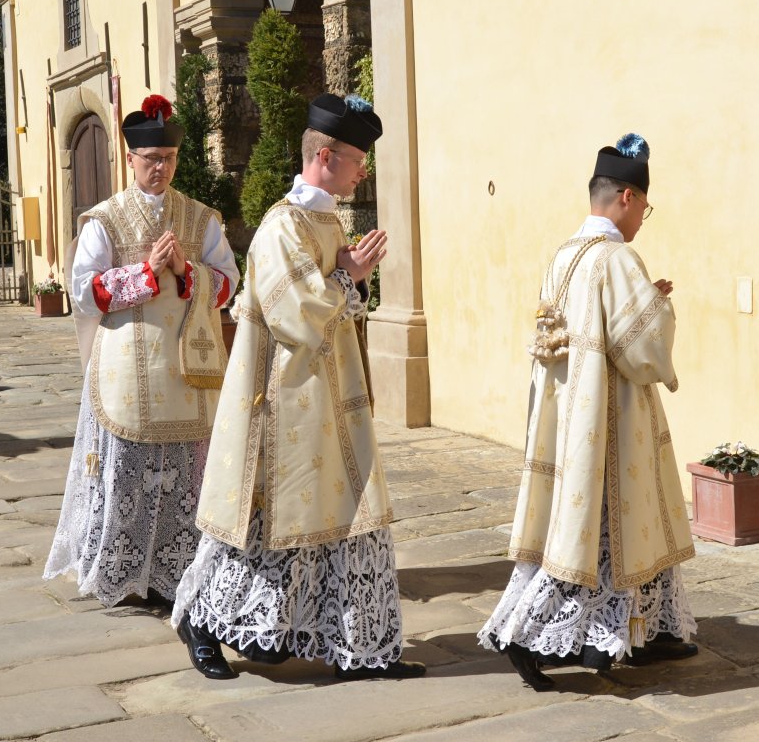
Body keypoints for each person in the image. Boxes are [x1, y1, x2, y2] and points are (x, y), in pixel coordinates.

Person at [171, 93, 425, 682]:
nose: (364, 170)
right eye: (358, 159)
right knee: (261, 528)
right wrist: (348, 276)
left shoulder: (326, 219)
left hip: (331, 398)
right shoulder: (281, 226)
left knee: (351, 516)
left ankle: (358, 646)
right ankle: (202, 621)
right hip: (283, 408)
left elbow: (334, 304)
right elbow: (298, 315)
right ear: (326, 156)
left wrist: (350, 278)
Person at [479, 134, 697, 691]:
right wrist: (659, 305)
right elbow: (641, 347)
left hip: (567, 418)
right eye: (644, 206)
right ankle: (528, 634)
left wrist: (644, 298)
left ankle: (646, 632)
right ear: (626, 196)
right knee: (606, 528)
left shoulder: (564, 254)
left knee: (592, 526)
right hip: (610, 419)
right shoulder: (616, 258)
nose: (643, 217)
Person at [44, 95, 239, 609]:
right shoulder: (105, 220)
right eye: (152, 159)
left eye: (169, 159)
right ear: (130, 159)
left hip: (187, 371)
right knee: (126, 474)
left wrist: (187, 272)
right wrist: (147, 274)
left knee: (187, 475)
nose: (161, 168)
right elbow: (83, 291)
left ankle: (184, 569)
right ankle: (123, 570)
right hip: (126, 373)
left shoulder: (200, 218)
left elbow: (228, 283)